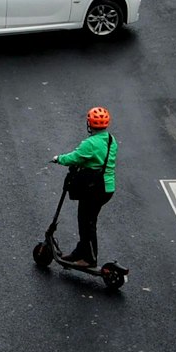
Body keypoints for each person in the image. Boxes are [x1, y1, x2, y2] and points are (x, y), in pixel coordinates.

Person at [52, 107, 117, 268]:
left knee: (87, 223)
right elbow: (98, 160)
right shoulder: (110, 140)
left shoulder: (90, 144)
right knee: (87, 220)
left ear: (90, 123)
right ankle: (80, 252)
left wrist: (58, 158)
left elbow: (75, 157)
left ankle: (89, 259)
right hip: (107, 187)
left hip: (95, 189)